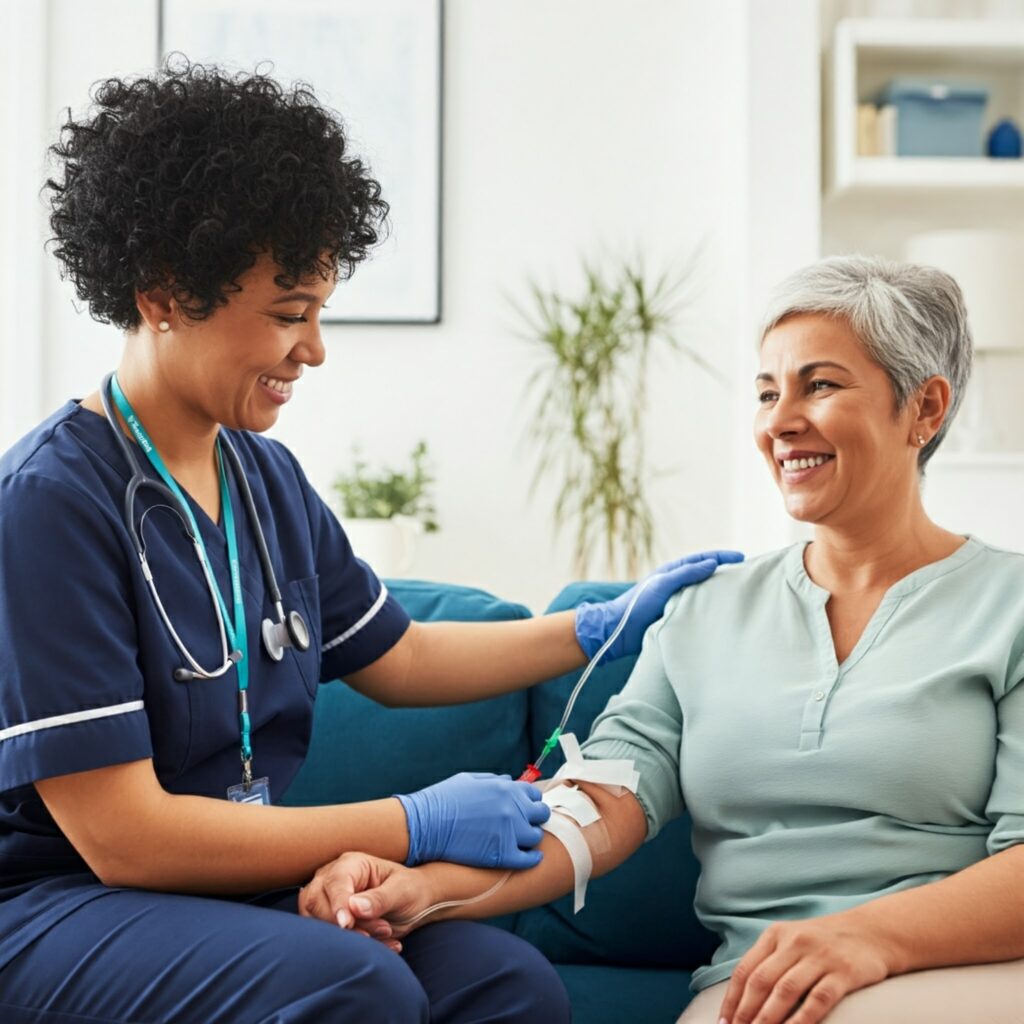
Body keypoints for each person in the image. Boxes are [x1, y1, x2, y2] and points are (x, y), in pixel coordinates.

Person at [0, 59, 741, 1023]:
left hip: (218, 896)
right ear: (164, 291)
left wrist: (598, 627)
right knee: (355, 983)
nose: (313, 350)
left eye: (319, 314)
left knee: (505, 981)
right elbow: (124, 840)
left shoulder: (262, 480)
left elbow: (401, 654)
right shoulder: (51, 501)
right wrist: (413, 820)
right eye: (287, 315)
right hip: (63, 905)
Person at [302, 255, 1024, 1024]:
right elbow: (599, 807)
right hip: (758, 990)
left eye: (820, 384)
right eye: (767, 392)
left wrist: (866, 939)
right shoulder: (706, 612)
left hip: (963, 971)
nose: (780, 421)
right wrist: (421, 886)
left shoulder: (1008, 608)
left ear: (925, 408)